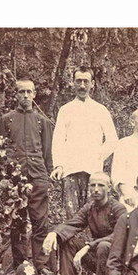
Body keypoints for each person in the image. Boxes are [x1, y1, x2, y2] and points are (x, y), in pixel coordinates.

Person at [0, 78, 55, 275]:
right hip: (16, 179)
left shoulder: (42, 121)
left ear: (34, 94)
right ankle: (20, 266)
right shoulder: (7, 120)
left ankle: (42, 266)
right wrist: (5, 177)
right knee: (18, 223)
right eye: (22, 92)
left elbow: (47, 152)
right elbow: (0, 150)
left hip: (38, 176)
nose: (25, 95)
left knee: (40, 222)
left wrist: (47, 175)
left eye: (29, 92)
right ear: (16, 94)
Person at [42, 172, 127, 275]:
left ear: (109, 188)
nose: (96, 189)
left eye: (101, 185)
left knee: (103, 246)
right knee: (69, 241)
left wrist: (88, 246)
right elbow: (73, 224)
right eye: (93, 185)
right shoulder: (89, 208)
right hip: (98, 257)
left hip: (116, 262)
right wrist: (54, 233)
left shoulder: (118, 208)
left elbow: (119, 235)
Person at [51, 66, 118, 219]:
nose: (82, 85)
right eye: (78, 81)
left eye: (86, 81)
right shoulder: (65, 110)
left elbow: (113, 140)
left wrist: (98, 155)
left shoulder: (100, 110)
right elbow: (58, 139)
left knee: (93, 215)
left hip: (93, 171)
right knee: (72, 217)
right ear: (73, 83)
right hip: (70, 170)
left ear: (92, 84)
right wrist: (59, 165)